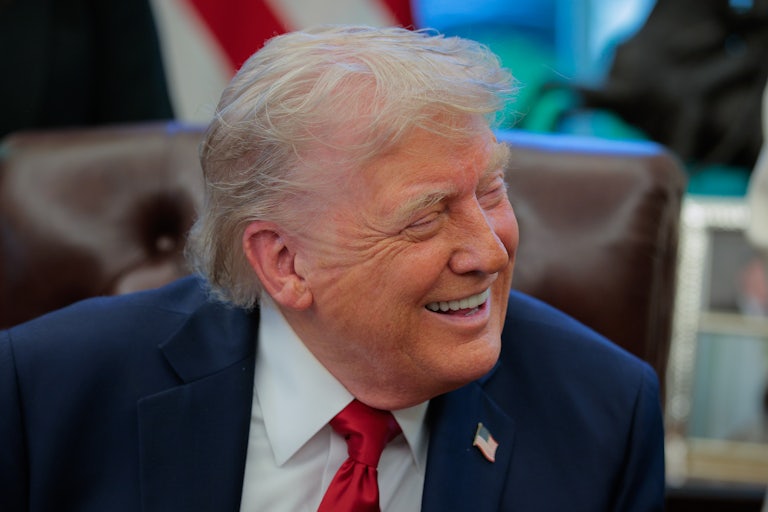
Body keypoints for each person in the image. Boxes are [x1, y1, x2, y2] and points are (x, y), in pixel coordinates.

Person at [0, 25, 665, 511]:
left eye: (491, 191)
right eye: (426, 217)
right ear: (285, 262)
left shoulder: (604, 414)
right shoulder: (49, 393)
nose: (489, 253)